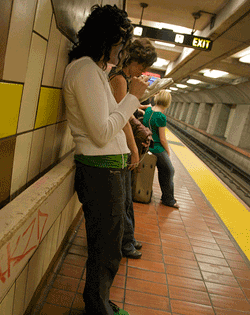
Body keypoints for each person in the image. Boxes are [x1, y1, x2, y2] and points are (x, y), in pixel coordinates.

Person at [62, 5, 149, 315]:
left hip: (106, 171)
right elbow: (101, 133)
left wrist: (127, 100)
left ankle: (99, 303)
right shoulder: (85, 70)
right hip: (99, 172)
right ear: (106, 39)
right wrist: (132, 98)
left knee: (108, 248)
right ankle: (97, 308)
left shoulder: (94, 72)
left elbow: (107, 119)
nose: (122, 50)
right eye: (120, 42)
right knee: (105, 250)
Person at [109, 38, 157, 259]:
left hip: (121, 146)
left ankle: (128, 238)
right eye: (141, 65)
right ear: (130, 59)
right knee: (123, 200)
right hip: (119, 147)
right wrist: (134, 149)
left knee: (127, 198)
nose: (143, 70)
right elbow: (123, 119)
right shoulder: (118, 79)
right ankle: (124, 242)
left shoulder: (125, 79)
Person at [143, 90, 179, 208]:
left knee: (163, 170)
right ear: (167, 102)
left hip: (146, 145)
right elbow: (162, 139)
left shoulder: (148, 110)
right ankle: (168, 199)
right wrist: (168, 152)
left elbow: (140, 107)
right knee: (169, 170)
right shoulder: (161, 117)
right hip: (157, 148)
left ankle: (167, 197)